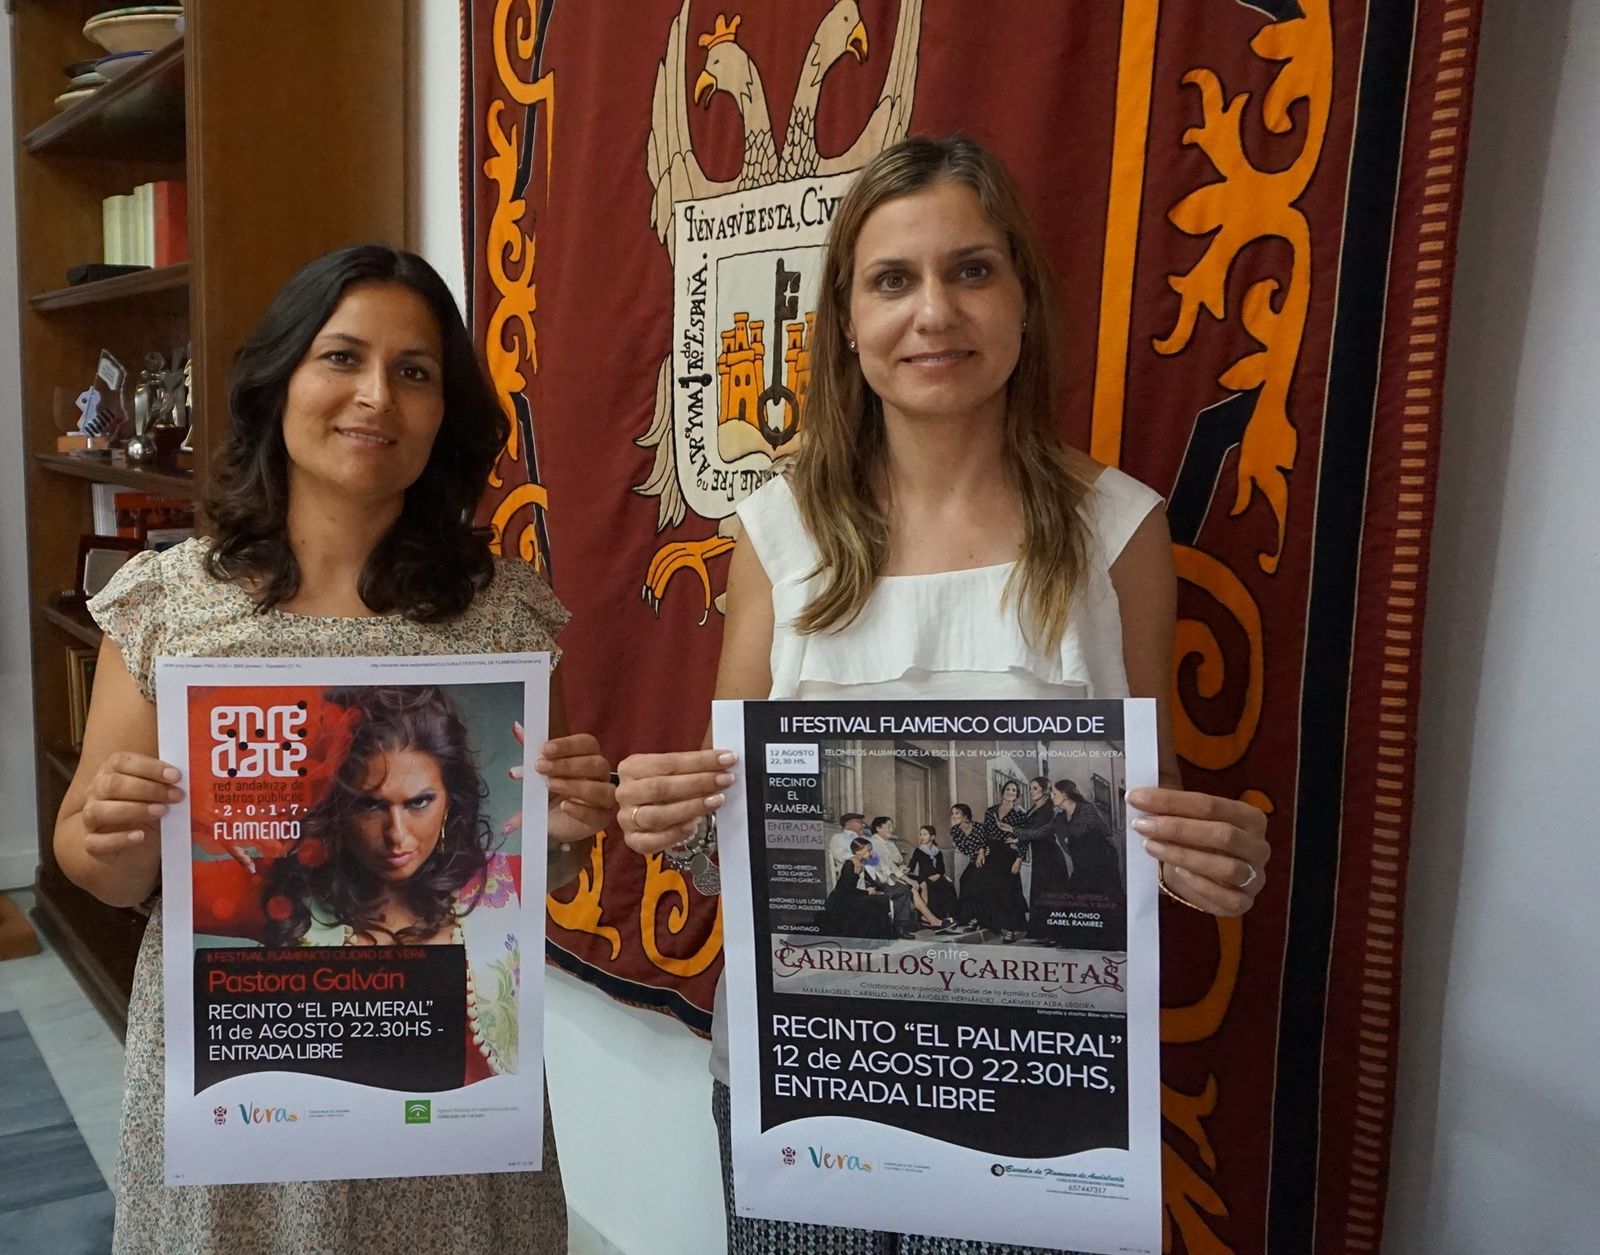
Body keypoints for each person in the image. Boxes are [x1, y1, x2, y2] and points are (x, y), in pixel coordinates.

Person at [614, 135, 1271, 1255]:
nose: (934, 313)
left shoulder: (1120, 530)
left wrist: (1218, 853)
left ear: (1022, 298)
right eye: (892, 280)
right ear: (848, 321)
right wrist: (665, 820)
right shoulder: (776, 536)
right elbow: (726, 829)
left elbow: (1151, 821)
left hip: (1034, 1083)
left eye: (970, 270)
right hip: (807, 1074)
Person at [53, 244, 615, 1255]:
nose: (376, 397)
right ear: (279, 382)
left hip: (445, 1095)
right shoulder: (170, 605)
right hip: (240, 1080)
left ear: (446, 411)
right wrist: (112, 832)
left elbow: (537, 865)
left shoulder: (503, 619)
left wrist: (566, 826)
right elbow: (101, 865)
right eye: (342, 358)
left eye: (414, 371)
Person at [189, 686, 530, 1082]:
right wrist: (190, 814)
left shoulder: (512, 886)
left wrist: (571, 831)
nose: (397, 834)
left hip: (473, 1138)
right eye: (369, 805)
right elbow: (151, 889)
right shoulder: (286, 892)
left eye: (419, 802)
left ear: (451, 799)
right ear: (334, 805)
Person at [1050, 778, 1124, 950]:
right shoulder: (1060, 817)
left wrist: (1080, 833)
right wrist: (1015, 832)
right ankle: (1081, 940)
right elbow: (1042, 831)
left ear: (1065, 794)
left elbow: (1104, 831)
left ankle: (1106, 941)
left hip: (1099, 862)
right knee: (1075, 897)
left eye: (1054, 793)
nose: (1052, 796)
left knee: (1100, 900)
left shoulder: (1085, 810)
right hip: (1082, 863)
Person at [1014, 775, 1070, 942]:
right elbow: (1029, 827)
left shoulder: (1048, 809)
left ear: (1045, 790)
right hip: (1040, 856)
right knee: (1040, 893)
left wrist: (1017, 834)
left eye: (1035, 788)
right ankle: (1043, 932)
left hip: (1050, 856)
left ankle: (1055, 934)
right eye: (1030, 788)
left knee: (1051, 894)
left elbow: (1037, 831)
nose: (1031, 791)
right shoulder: (1034, 808)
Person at [974, 778, 1030, 942]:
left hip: (1009, 855)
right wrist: (981, 851)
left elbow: (1025, 837)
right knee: (990, 888)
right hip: (993, 854)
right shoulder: (991, 811)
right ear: (1002, 792)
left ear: (1017, 795)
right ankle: (995, 924)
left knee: (1009, 892)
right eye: (1008, 789)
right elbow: (984, 833)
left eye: (1014, 790)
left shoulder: (1020, 814)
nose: (1011, 792)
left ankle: (1010, 928)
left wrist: (1019, 858)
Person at [818, 836, 894, 939]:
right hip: (842, 901)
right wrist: (866, 892)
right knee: (877, 901)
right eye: (868, 850)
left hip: (852, 896)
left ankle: (878, 936)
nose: (871, 853)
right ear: (858, 852)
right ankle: (872, 936)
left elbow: (869, 881)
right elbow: (845, 889)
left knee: (881, 899)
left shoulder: (860, 864)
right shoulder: (851, 865)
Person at [907, 824, 959, 927]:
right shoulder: (919, 850)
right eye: (921, 834)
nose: (922, 837)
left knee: (948, 886)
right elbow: (912, 865)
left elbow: (942, 868)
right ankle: (931, 917)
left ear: (932, 837)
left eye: (925, 834)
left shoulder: (937, 852)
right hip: (924, 877)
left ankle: (950, 915)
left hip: (937, 876)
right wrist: (907, 869)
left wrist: (938, 875)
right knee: (930, 887)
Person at [948, 802, 986, 928]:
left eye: (957, 813)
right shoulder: (955, 831)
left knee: (976, 882)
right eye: (953, 814)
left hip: (988, 858)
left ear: (965, 815)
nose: (954, 816)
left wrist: (981, 851)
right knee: (964, 880)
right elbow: (964, 849)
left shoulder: (979, 827)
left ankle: (978, 918)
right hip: (974, 859)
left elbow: (986, 843)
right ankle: (966, 917)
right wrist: (977, 853)